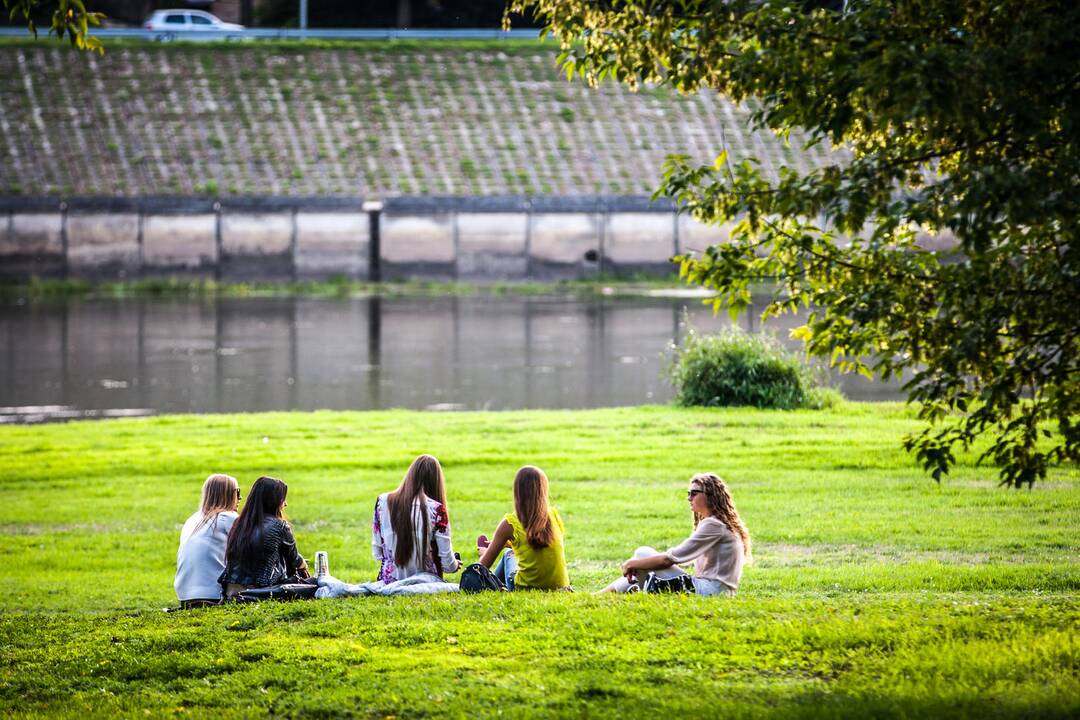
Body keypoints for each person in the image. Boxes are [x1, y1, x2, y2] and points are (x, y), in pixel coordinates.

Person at [601, 473, 751, 596]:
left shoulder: (714, 524)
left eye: (694, 493)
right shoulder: (719, 523)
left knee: (642, 554)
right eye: (688, 493)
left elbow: (669, 560)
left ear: (710, 495)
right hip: (717, 591)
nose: (689, 498)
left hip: (710, 592)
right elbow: (680, 559)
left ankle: (619, 592)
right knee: (643, 558)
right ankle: (603, 595)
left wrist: (631, 564)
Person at [477, 465, 570, 591]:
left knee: (508, 555)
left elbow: (483, 566)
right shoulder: (553, 515)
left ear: (517, 492)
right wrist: (512, 544)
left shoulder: (510, 523)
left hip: (527, 588)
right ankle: (494, 585)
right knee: (510, 551)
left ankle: (492, 585)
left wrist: (483, 553)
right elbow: (542, 550)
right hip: (560, 587)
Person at [372, 454, 461, 582]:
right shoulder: (437, 509)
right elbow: (448, 565)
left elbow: (377, 552)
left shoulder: (382, 501)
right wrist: (456, 564)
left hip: (389, 581)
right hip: (425, 581)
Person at [220, 475, 309, 599]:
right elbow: (295, 560)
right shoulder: (280, 525)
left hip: (230, 591)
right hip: (259, 591)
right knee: (314, 586)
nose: (285, 504)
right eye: (283, 499)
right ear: (273, 501)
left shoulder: (239, 523)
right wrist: (304, 564)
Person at [175, 473, 241, 608]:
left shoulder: (192, 519)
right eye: (237, 492)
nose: (240, 498)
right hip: (214, 594)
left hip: (185, 595)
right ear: (227, 494)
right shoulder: (228, 517)